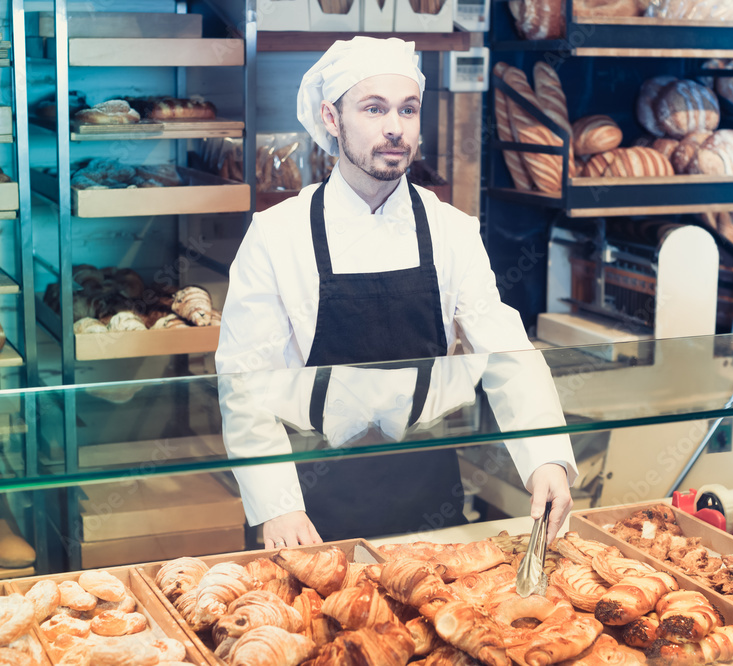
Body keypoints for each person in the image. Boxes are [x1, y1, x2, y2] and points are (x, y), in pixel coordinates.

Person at [215, 36, 577, 549]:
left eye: (408, 110)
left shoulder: (452, 229)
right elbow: (243, 381)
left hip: (427, 484)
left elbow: (507, 352)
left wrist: (544, 456)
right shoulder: (277, 234)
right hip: (306, 492)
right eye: (373, 108)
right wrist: (276, 506)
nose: (394, 127)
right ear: (332, 118)